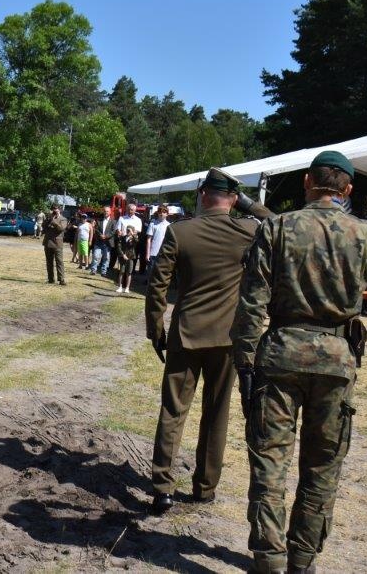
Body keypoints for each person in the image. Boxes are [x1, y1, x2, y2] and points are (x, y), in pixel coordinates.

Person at [230, 150, 367, 574]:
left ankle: (268, 558)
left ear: (307, 181)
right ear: (348, 189)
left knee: (269, 461)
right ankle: (302, 560)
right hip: (336, 361)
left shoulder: (277, 227)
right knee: (323, 465)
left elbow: (252, 302)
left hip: (280, 354)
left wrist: (244, 362)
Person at [145, 168, 273, 515]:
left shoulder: (180, 231)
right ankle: (204, 487)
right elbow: (280, 224)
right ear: (233, 198)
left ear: (203, 194)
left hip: (186, 335)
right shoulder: (248, 230)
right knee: (216, 414)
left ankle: (162, 488)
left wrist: (155, 329)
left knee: (173, 411)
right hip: (228, 338)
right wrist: (250, 205)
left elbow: (157, 285)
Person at [42, 204, 67, 285]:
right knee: (49, 262)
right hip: (48, 242)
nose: (54, 210)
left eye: (56, 209)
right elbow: (44, 228)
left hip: (57, 243)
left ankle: (61, 279)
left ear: (59, 210)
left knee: (59, 261)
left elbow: (61, 228)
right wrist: (49, 219)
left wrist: (53, 221)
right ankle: (50, 279)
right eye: (53, 209)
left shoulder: (63, 219)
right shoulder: (49, 218)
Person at [145, 205, 171, 278]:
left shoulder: (169, 226)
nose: (161, 214)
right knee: (151, 274)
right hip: (153, 253)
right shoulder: (153, 224)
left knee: (161, 275)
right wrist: (147, 254)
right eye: (160, 212)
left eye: (164, 212)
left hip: (164, 254)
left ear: (167, 214)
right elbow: (148, 239)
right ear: (158, 213)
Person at [116, 226, 137, 293]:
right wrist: (123, 255)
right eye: (127, 230)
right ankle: (120, 287)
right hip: (123, 257)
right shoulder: (122, 237)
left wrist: (132, 234)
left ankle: (127, 288)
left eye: (129, 230)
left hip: (130, 257)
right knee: (121, 272)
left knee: (129, 273)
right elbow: (119, 247)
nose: (128, 232)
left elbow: (136, 241)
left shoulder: (134, 238)